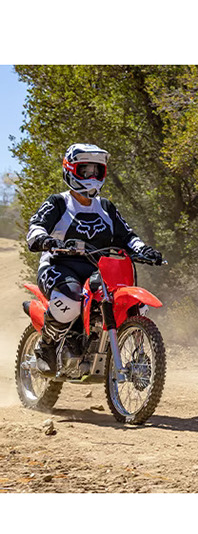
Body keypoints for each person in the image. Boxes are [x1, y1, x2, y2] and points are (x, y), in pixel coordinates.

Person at [26, 143, 163, 376]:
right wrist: (46, 240)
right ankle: (46, 347)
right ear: (71, 170)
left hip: (97, 268)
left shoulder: (107, 208)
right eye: (85, 170)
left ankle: (103, 345)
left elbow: (127, 236)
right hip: (58, 266)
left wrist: (143, 249)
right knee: (70, 300)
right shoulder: (59, 203)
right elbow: (35, 228)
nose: (91, 176)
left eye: (96, 171)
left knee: (129, 302)